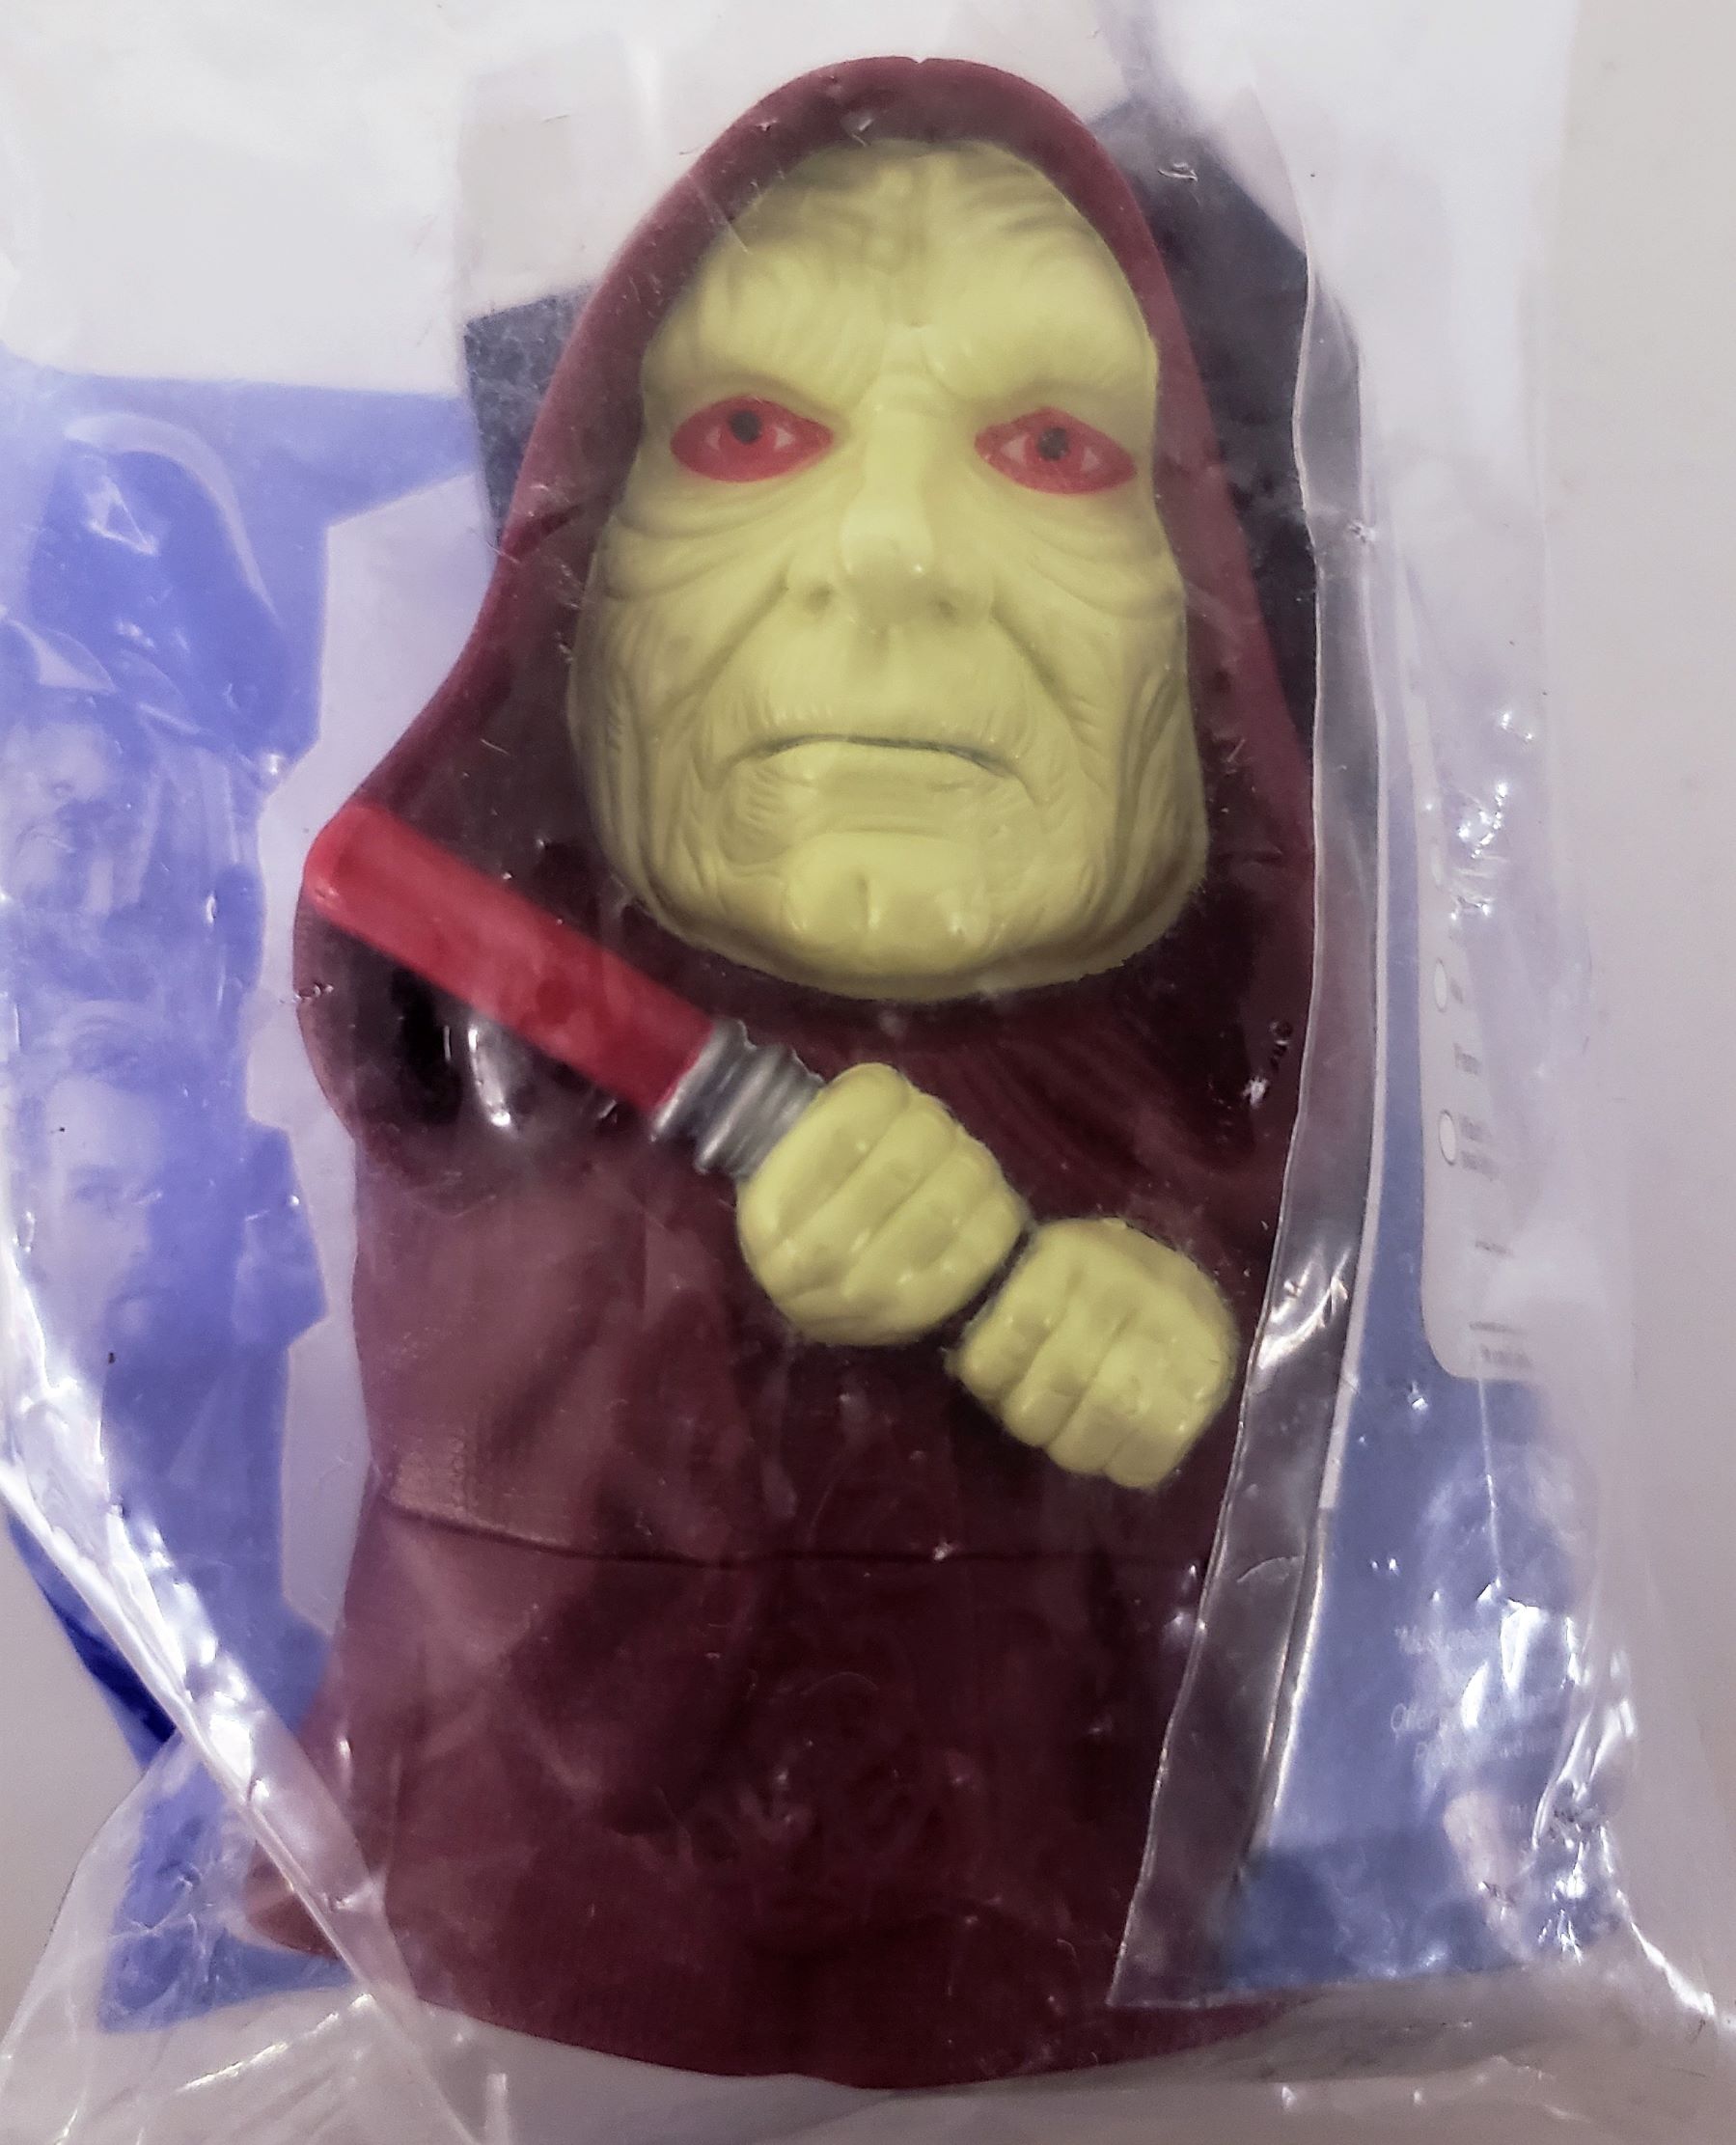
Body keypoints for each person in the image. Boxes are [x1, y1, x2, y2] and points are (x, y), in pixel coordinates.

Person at [264, 58, 1314, 2089]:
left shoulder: (1238, 1102)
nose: (895, 548)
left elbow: (1350, 1577)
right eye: (750, 433)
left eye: (1048, 446)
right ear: (585, 608)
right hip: (525, 1979)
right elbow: (476, 1437)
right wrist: (672, 1279)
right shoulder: (496, 1089)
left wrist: (1191, 1348)